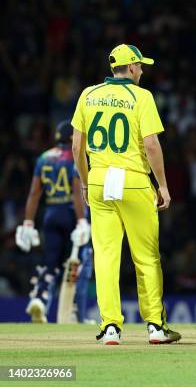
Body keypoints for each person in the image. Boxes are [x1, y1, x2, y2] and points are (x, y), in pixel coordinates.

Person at [71, 44, 180, 345]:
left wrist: (84, 181)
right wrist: (163, 185)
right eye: (140, 66)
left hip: (99, 181)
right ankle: (155, 326)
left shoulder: (88, 95)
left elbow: (76, 147)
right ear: (131, 68)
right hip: (132, 180)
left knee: (105, 256)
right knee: (146, 256)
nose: (142, 71)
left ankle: (110, 328)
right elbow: (152, 145)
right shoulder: (141, 97)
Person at [15, 120, 92, 323]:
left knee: (50, 264)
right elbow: (77, 192)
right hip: (71, 214)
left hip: (50, 215)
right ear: (71, 137)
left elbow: (34, 193)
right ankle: (75, 311)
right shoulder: (74, 156)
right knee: (77, 264)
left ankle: (40, 298)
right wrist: (82, 220)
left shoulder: (43, 157)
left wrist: (28, 222)